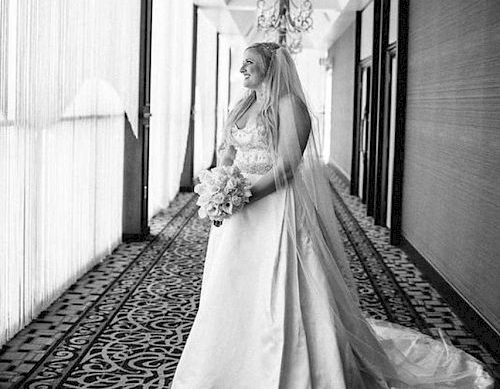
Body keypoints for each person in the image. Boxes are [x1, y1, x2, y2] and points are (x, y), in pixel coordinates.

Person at [171, 42, 493, 388]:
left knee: (279, 285)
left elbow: (286, 167)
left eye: (249, 63)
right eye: (242, 64)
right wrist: (219, 187)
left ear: (270, 67)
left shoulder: (290, 106)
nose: (242, 70)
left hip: (274, 209)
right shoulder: (242, 105)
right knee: (231, 283)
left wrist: (243, 196)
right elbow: (227, 152)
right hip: (237, 210)